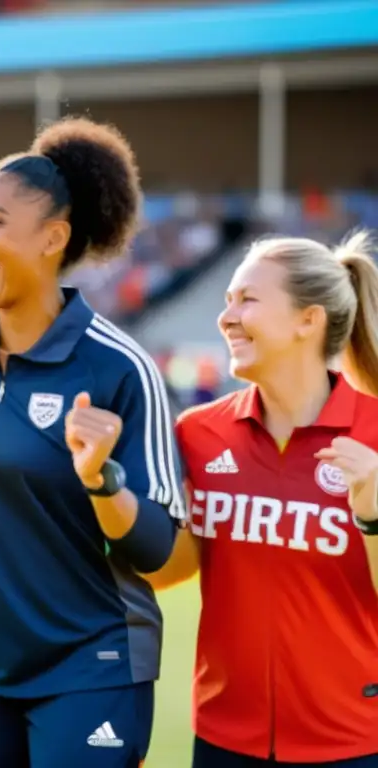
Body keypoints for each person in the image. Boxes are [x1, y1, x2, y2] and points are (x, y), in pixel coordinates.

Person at [0, 117, 186, 768]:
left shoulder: (120, 368)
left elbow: (162, 552)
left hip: (88, 665)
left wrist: (101, 478)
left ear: (53, 238)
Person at [148, 231, 378, 767]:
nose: (226, 317)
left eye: (247, 299)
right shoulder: (197, 433)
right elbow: (169, 572)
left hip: (352, 742)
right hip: (225, 738)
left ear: (309, 320)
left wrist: (374, 516)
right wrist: (105, 493)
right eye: (226, 300)